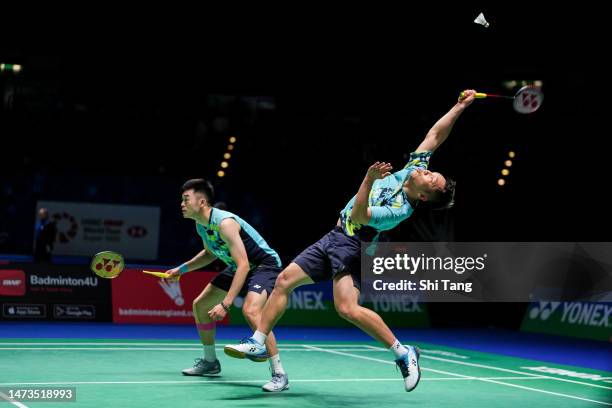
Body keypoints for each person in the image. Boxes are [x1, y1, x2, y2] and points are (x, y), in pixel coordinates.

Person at [224, 90, 477, 392]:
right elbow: (435, 135)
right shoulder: (411, 170)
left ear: (423, 194)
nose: (425, 170)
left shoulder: (400, 210)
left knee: (347, 309)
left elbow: (361, 214)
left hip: (353, 246)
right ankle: (258, 341)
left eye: (430, 177)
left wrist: (368, 180)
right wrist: (459, 106)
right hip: (334, 236)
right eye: (430, 169)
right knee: (283, 281)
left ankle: (402, 352)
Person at [165, 179, 289, 392]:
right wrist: (181, 270)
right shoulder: (201, 225)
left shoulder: (225, 223)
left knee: (252, 311)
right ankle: (210, 362)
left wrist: (225, 304)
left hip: (262, 265)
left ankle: (279, 374)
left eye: (186, 199)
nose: (182, 204)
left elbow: (243, 266)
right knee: (201, 305)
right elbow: (210, 253)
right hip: (238, 265)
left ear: (202, 201)